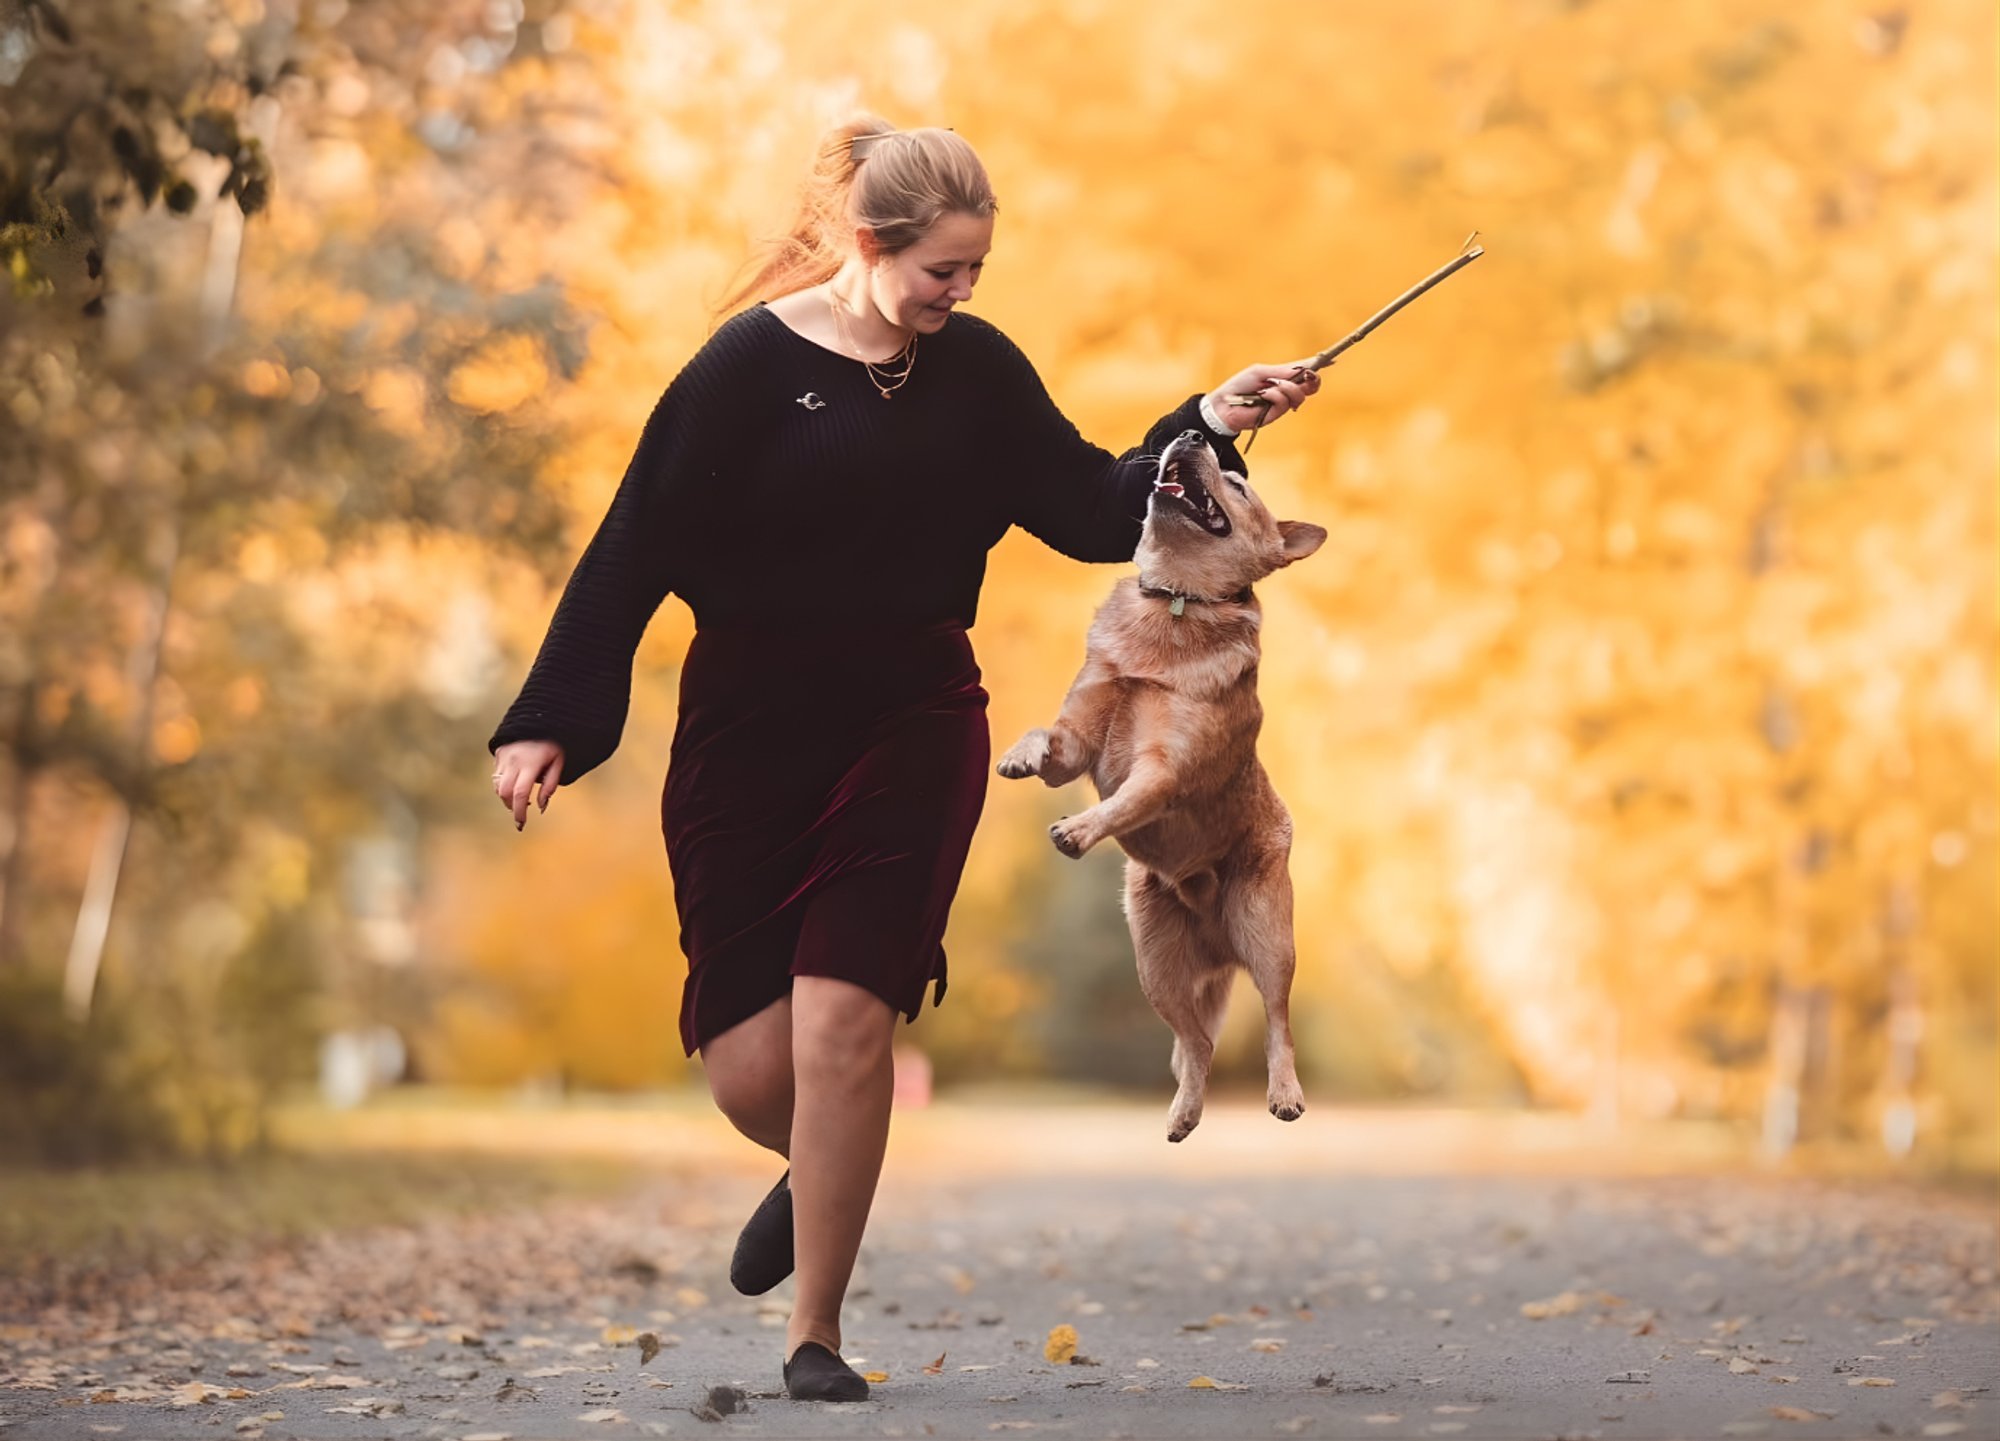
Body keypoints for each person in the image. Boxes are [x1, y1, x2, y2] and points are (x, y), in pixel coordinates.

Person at [487, 115, 1319, 1403]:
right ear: (870, 246)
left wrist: (1209, 416)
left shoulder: (977, 372)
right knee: (756, 1068)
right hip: (746, 736)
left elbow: (1098, 505)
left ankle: (811, 1335)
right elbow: (633, 541)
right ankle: (818, 1157)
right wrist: (550, 717)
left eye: (976, 271)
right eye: (943, 271)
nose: (962, 294)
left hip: (913, 719)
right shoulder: (746, 371)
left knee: (844, 1019)